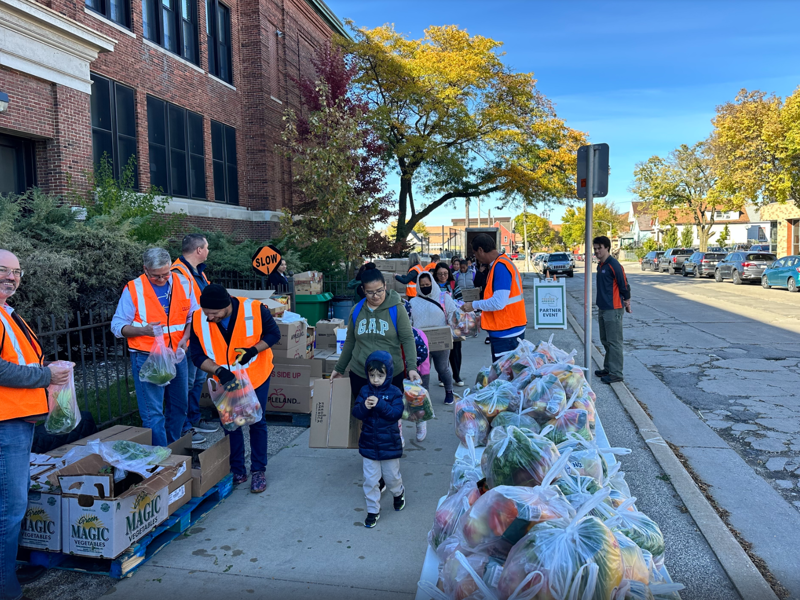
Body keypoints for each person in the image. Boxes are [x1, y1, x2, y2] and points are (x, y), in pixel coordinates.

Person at [0, 250, 71, 600]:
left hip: (16, 421)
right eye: (3, 270)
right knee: (9, 509)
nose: (11, 277)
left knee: (12, 505)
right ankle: (6, 588)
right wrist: (45, 375)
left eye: (16, 272)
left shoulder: (7, 314)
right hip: (4, 425)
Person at [190, 284, 280, 492]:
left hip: (256, 375)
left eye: (214, 313)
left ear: (227, 305)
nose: (210, 318)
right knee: (231, 424)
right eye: (206, 313)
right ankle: (237, 469)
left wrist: (252, 350)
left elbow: (273, 334)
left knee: (256, 421)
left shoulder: (255, 309)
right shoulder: (198, 319)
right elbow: (197, 356)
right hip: (226, 379)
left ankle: (258, 470)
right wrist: (219, 371)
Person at [111, 248, 197, 447]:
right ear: (145, 269)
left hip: (177, 354)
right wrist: (143, 330)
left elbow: (194, 315)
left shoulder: (183, 282)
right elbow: (117, 326)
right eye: (156, 276)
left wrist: (186, 337)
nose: (161, 279)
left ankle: (174, 448)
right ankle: (160, 456)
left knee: (179, 406)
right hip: (147, 356)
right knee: (153, 413)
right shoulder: (134, 288)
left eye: (166, 274)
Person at [333, 269, 420, 396]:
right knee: (362, 413)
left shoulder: (397, 309)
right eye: (370, 292)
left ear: (385, 286)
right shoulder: (356, 310)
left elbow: (407, 338)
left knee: (389, 413)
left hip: (391, 375)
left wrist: (412, 367)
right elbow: (350, 341)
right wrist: (339, 368)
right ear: (363, 290)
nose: (376, 296)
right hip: (361, 374)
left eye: (379, 291)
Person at [171, 234, 218, 445]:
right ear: (198, 250)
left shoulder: (197, 272)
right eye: (206, 248)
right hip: (184, 337)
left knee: (197, 380)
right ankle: (184, 427)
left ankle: (193, 418)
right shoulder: (178, 274)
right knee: (186, 383)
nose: (208, 251)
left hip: (198, 335)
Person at [352, 351, 406, 528]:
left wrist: (381, 404)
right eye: (372, 375)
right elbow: (356, 413)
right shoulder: (365, 390)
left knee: (391, 477)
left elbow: (396, 414)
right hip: (369, 444)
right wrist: (364, 407)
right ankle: (373, 510)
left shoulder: (394, 392)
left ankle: (398, 493)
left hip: (389, 444)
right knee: (370, 480)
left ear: (388, 374)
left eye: (380, 375)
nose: (375, 379)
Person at [461, 234, 526, 361]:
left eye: (475, 254)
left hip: (506, 331)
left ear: (480, 250)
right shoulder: (500, 263)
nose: (476, 258)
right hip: (509, 328)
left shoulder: (500, 267)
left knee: (505, 375)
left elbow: (498, 303)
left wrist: (473, 305)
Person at [409, 271, 457, 405]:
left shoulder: (444, 297)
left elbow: (453, 315)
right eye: (422, 285)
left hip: (441, 340)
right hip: (421, 343)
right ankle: (424, 397)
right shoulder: (413, 302)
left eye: (427, 284)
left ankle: (449, 391)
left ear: (432, 283)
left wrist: (452, 330)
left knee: (442, 368)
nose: (425, 287)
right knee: (423, 371)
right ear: (418, 286)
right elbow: (410, 321)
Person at [593, 236, 631, 384]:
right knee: (605, 340)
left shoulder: (613, 265)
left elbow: (624, 284)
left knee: (614, 342)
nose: (596, 251)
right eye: (595, 249)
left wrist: (627, 301)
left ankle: (616, 373)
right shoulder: (600, 265)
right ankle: (608, 368)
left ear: (607, 248)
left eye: (599, 248)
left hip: (613, 309)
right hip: (603, 307)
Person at [433, 263, 464, 387]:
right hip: (438, 322)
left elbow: (461, 299)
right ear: (436, 275)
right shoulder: (432, 286)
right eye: (440, 274)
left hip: (453, 322)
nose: (443, 276)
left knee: (456, 350)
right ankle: (442, 376)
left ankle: (456, 375)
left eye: (445, 273)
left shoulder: (453, 284)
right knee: (441, 349)